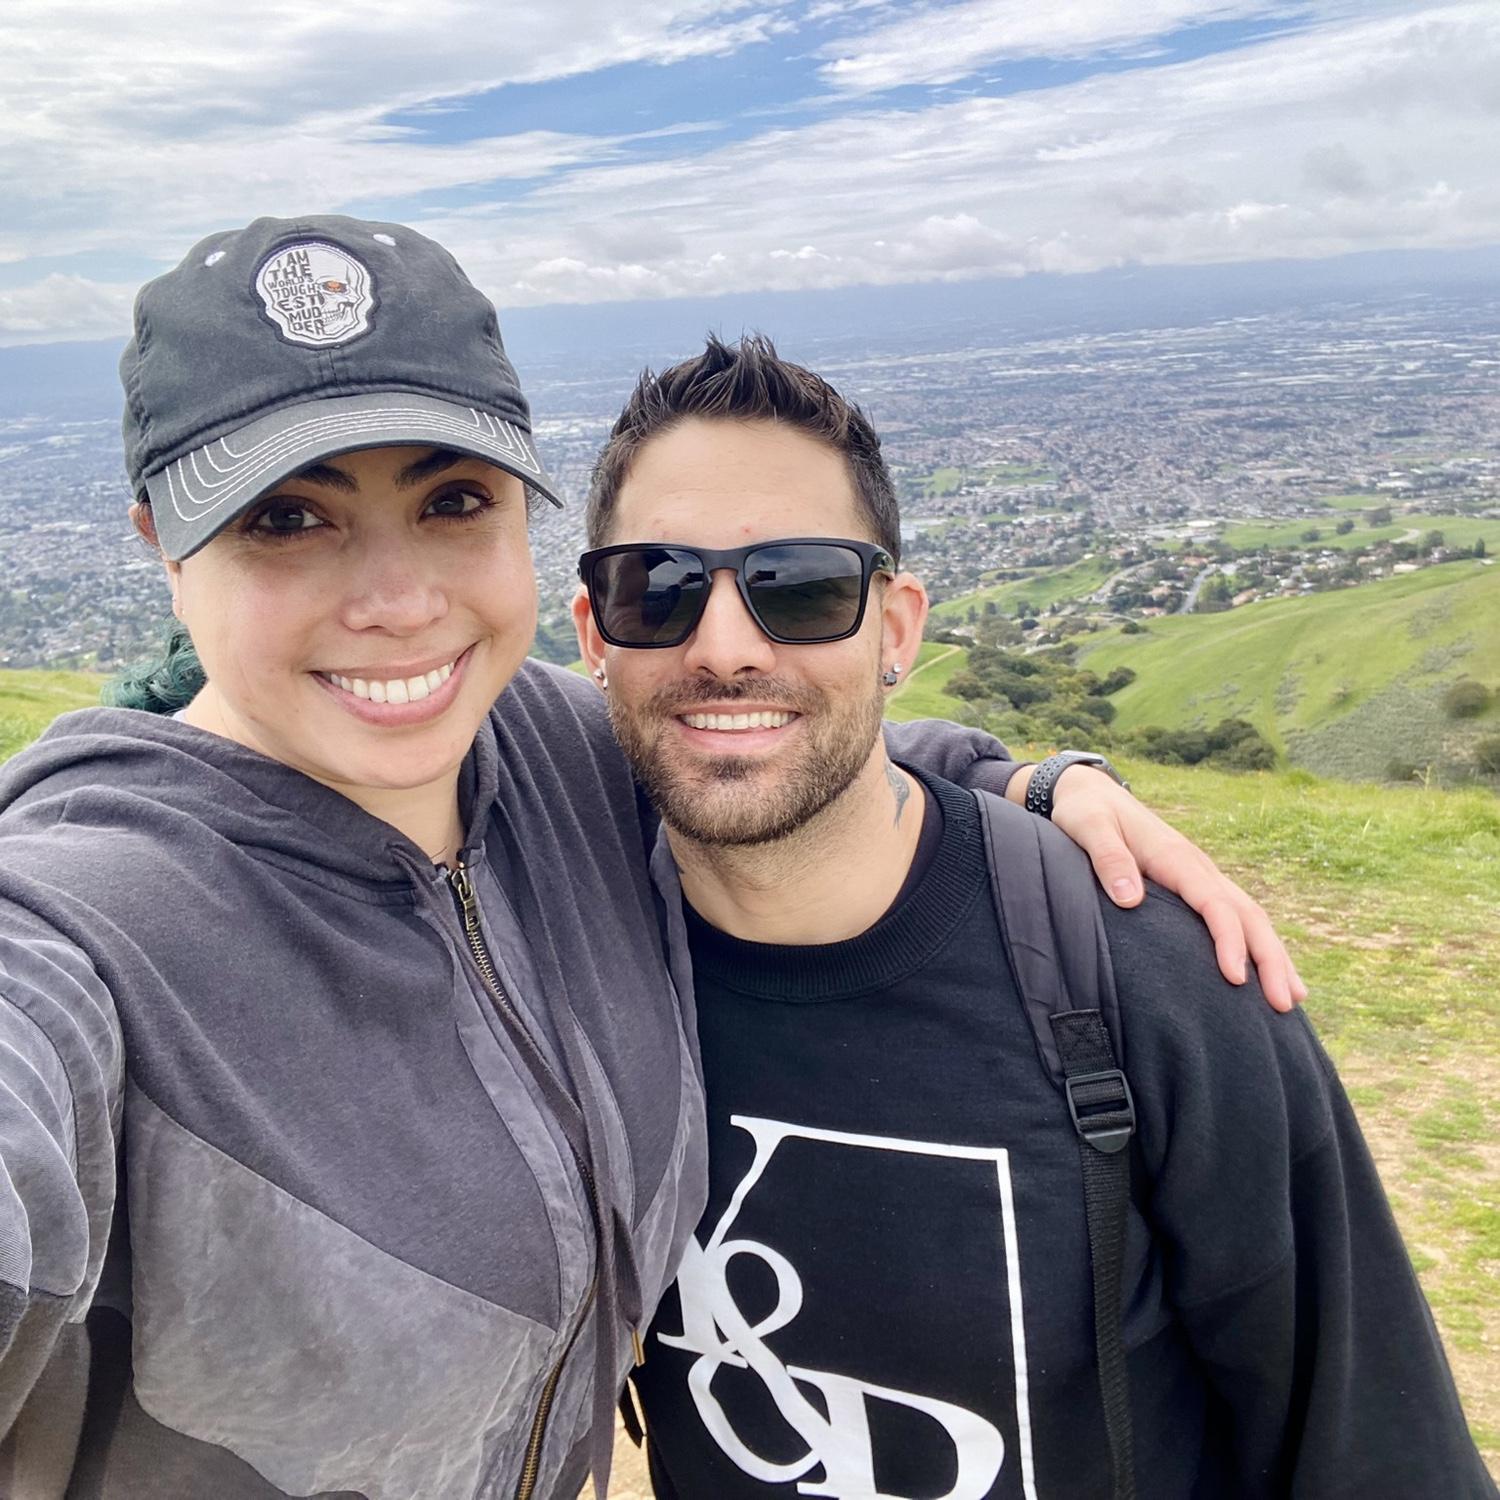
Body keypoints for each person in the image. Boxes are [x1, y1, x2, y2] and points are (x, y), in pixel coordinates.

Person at [0, 214, 1297, 1500]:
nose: (396, 601)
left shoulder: (549, 753)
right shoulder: (81, 932)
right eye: (288, 518)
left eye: (452, 500)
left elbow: (753, 722)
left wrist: (1023, 780)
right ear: (164, 548)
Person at [573, 336, 1495, 1499]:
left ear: (896, 629)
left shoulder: (1151, 976)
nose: (723, 648)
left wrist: (1039, 780)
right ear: (594, 634)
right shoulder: (567, 944)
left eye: (799, 586)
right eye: (655, 587)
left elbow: (1373, 1450)